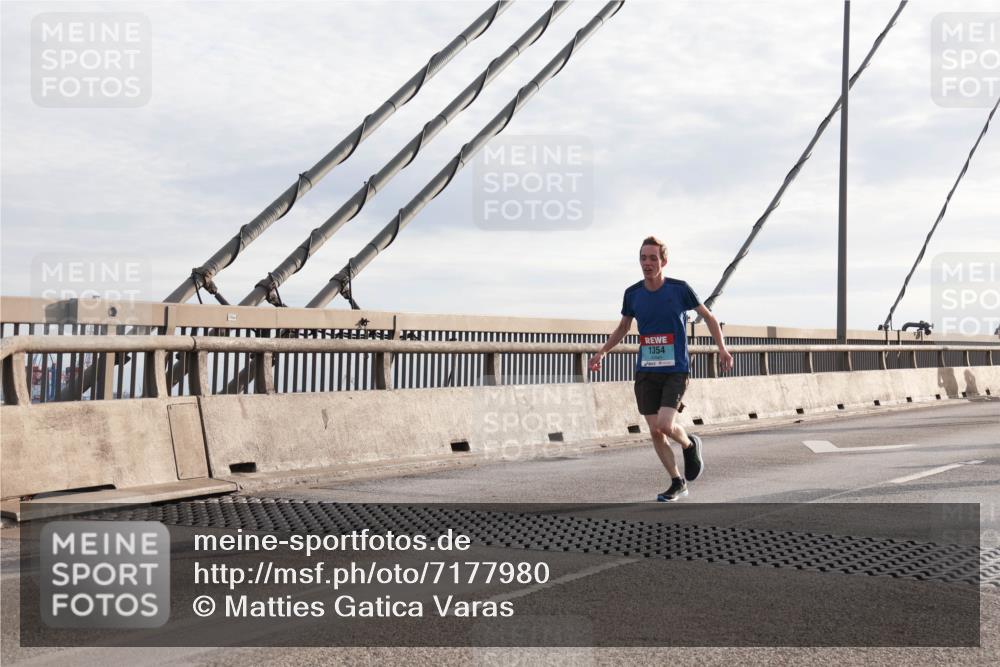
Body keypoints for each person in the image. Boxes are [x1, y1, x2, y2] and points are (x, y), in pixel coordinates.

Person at [588, 236, 733, 502]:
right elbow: (623, 328)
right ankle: (677, 482)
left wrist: (722, 348)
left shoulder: (680, 289)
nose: (647, 263)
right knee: (654, 429)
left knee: (666, 425)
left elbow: (710, 318)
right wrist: (601, 352)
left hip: (675, 370)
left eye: (653, 258)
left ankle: (690, 443)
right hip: (646, 370)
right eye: (643, 258)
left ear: (663, 261)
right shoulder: (632, 294)